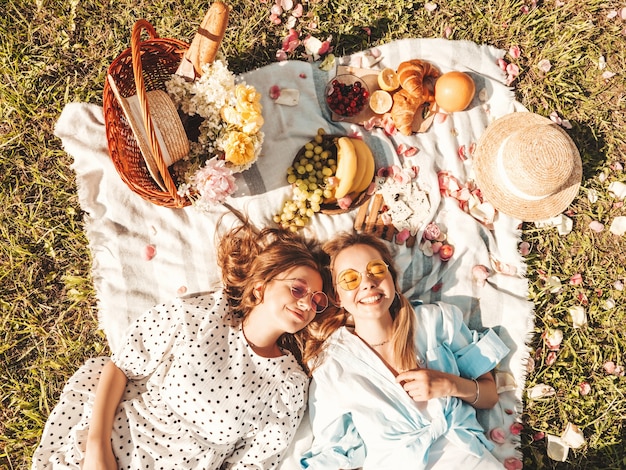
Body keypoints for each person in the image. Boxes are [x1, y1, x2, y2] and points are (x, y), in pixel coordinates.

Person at [32, 222, 332, 470]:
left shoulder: (288, 385)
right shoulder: (202, 316)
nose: (307, 302)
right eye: (297, 288)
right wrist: (97, 448)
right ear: (260, 286)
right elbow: (121, 366)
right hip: (112, 445)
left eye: (317, 300)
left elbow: (253, 463)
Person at [300, 232, 510, 469]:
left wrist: (449, 384)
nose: (367, 283)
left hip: (469, 459)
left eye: (376, 270)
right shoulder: (332, 366)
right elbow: (332, 452)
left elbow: (489, 396)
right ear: (337, 297)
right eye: (350, 279)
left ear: (392, 278)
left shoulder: (436, 322)